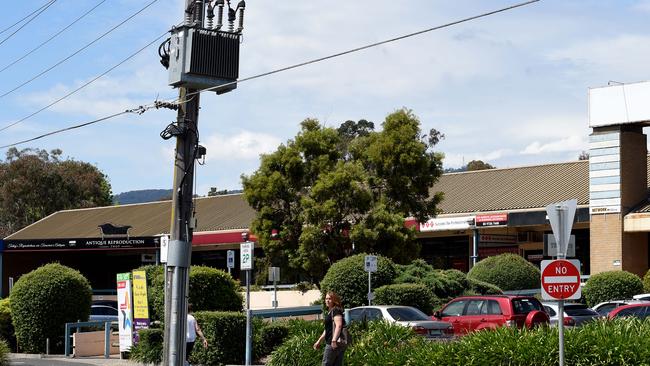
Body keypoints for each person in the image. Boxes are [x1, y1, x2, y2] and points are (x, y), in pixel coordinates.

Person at [313, 291, 346, 366]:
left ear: (334, 300)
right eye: (326, 299)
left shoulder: (336, 310)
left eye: (330, 299)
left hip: (333, 343)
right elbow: (327, 330)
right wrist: (319, 341)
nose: (327, 300)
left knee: (326, 364)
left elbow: (339, 325)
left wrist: (334, 340)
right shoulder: (331, 311)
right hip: (336, 342)